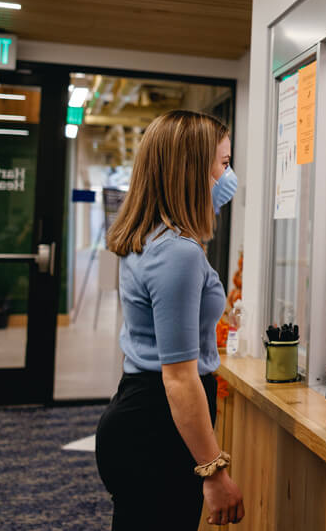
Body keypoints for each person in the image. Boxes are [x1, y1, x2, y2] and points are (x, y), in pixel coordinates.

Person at [95, 110, 244, 529]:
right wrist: (213, 471)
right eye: (224, 163)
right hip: (157, 430)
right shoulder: (177, 253)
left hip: (141, 415)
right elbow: (179, 377)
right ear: (193, 169)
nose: (228, 175)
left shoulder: (152, 237)